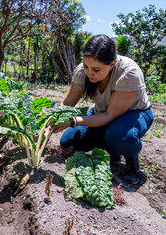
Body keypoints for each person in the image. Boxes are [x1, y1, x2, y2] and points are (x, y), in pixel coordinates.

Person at [53, 34, 154, 185]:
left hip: (133, 114)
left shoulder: (128, 73)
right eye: (86, 66)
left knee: (121, 137)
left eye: (96, 69)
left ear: (112, 64)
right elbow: (66, 105)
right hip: (101, 113)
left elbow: (109, 115)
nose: (89, 73)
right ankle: (111, 148)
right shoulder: (83, 72)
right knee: (68, 142)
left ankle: (131, 163)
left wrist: (73, 121)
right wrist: (48, 125)